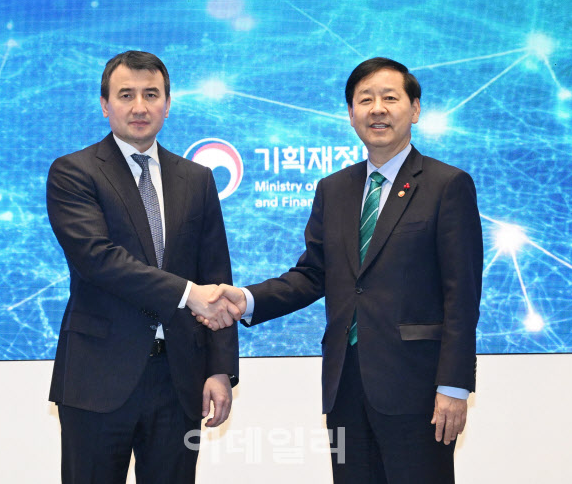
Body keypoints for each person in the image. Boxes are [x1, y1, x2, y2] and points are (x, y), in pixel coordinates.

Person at [204, 57, 483, 483]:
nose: (377, 109)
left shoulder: (447, 185)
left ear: (415, 109)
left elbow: (461, 296)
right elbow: (312, 274)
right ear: (351, 114)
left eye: (390, 98)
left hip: (419, 388)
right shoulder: (333, 189)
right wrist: (246, 299)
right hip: (345, 385)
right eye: (365, 100)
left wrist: (454, 385)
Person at [46, 50, 241, 484]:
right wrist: (189, 295)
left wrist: (219, 368)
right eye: (126, 95)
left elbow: (216, 275)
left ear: (167, 104)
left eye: (151, 95)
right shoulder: (74, 172)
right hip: (98, 378)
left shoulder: (197, 179)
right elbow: (98, 259)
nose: (139, 106)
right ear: (105, 104)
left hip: (179, 379)